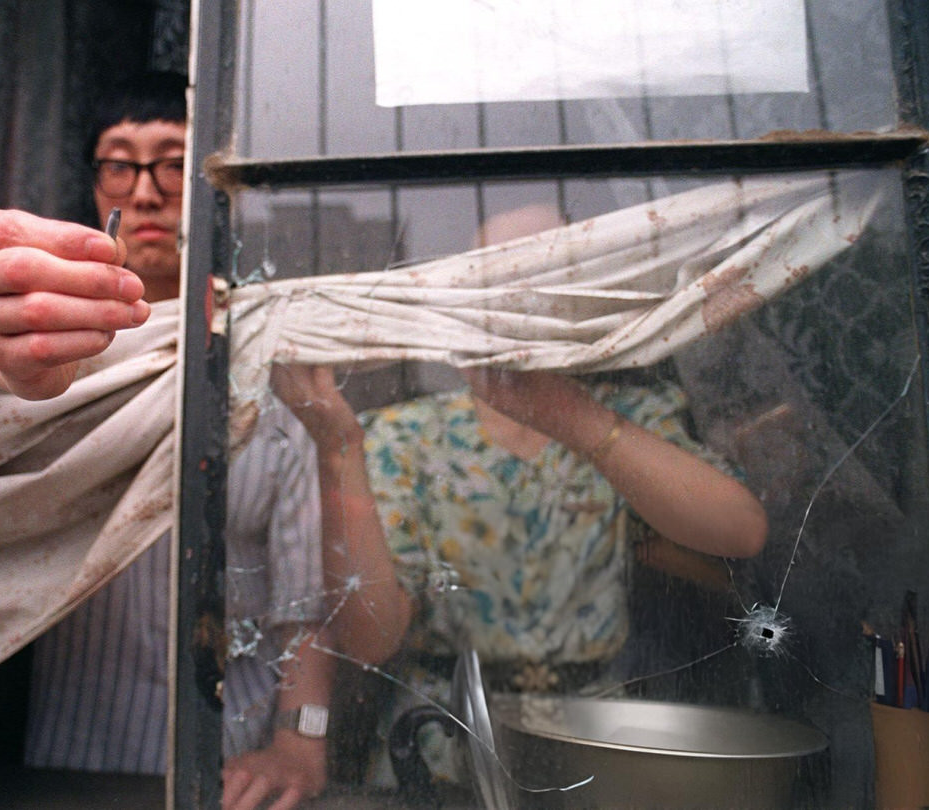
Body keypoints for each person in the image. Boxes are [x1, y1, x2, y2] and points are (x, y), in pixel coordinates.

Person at [0, 71, 333, 809]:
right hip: (66, 764)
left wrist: (300, 744)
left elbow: (306, 601)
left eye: (174, 161)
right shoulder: (51, 350)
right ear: (94, 185)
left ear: (221, 185)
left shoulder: (270, 365)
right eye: (119, 162)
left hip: (232, 776)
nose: (144, 191)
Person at [269, 203, 769, 787]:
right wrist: (338, 447)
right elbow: (369, 638)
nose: (523, 301)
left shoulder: (631, 418)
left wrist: (568, 416)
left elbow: (743, 531)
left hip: (597, 746)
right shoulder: (408, 437)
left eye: (550, 276)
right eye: (502, 280)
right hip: (439, 752)